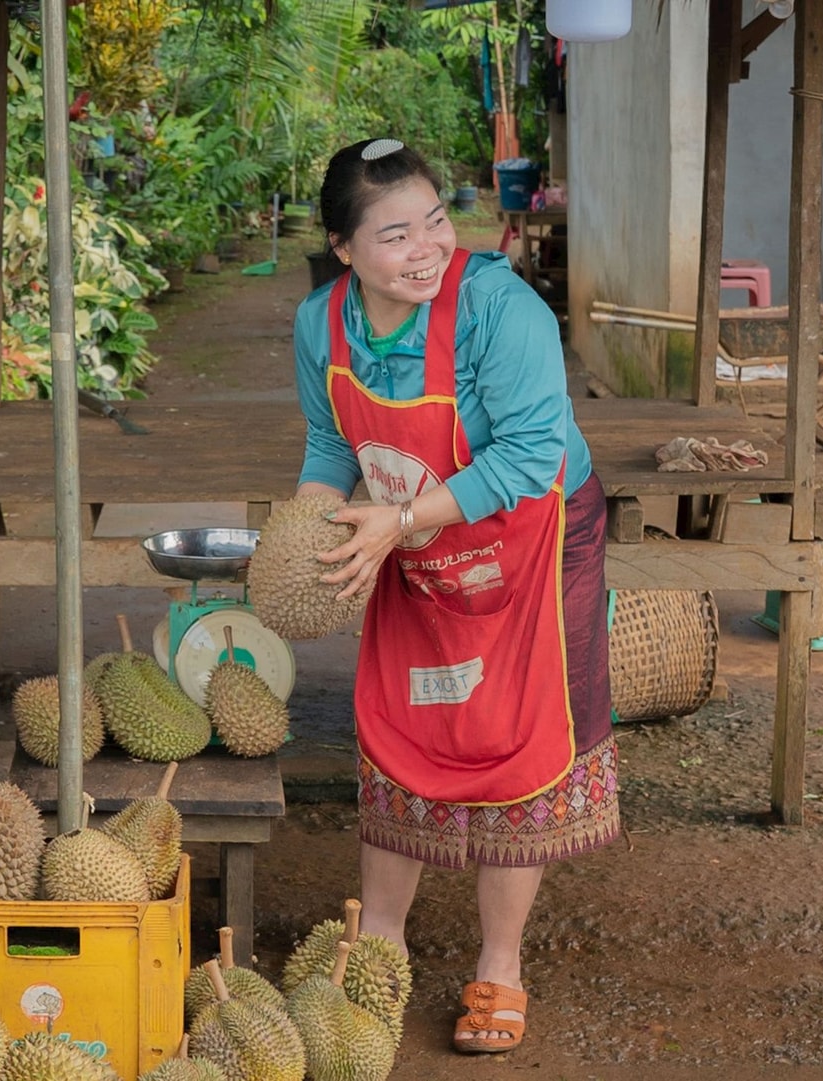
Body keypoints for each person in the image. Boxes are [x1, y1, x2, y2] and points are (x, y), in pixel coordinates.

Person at [289, 137, 619, 1054]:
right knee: (404, 724)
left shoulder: (499, 309)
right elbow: (331, 443)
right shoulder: (322, 325)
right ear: (345, 249)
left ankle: (501, 962)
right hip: (417, 538)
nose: (427, 246)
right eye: (396, 234)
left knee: (512, 734)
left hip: (532, 537)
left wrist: (394, 522)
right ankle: (379, 943)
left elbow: (527, 455)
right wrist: (312, 524)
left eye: (436, 220)